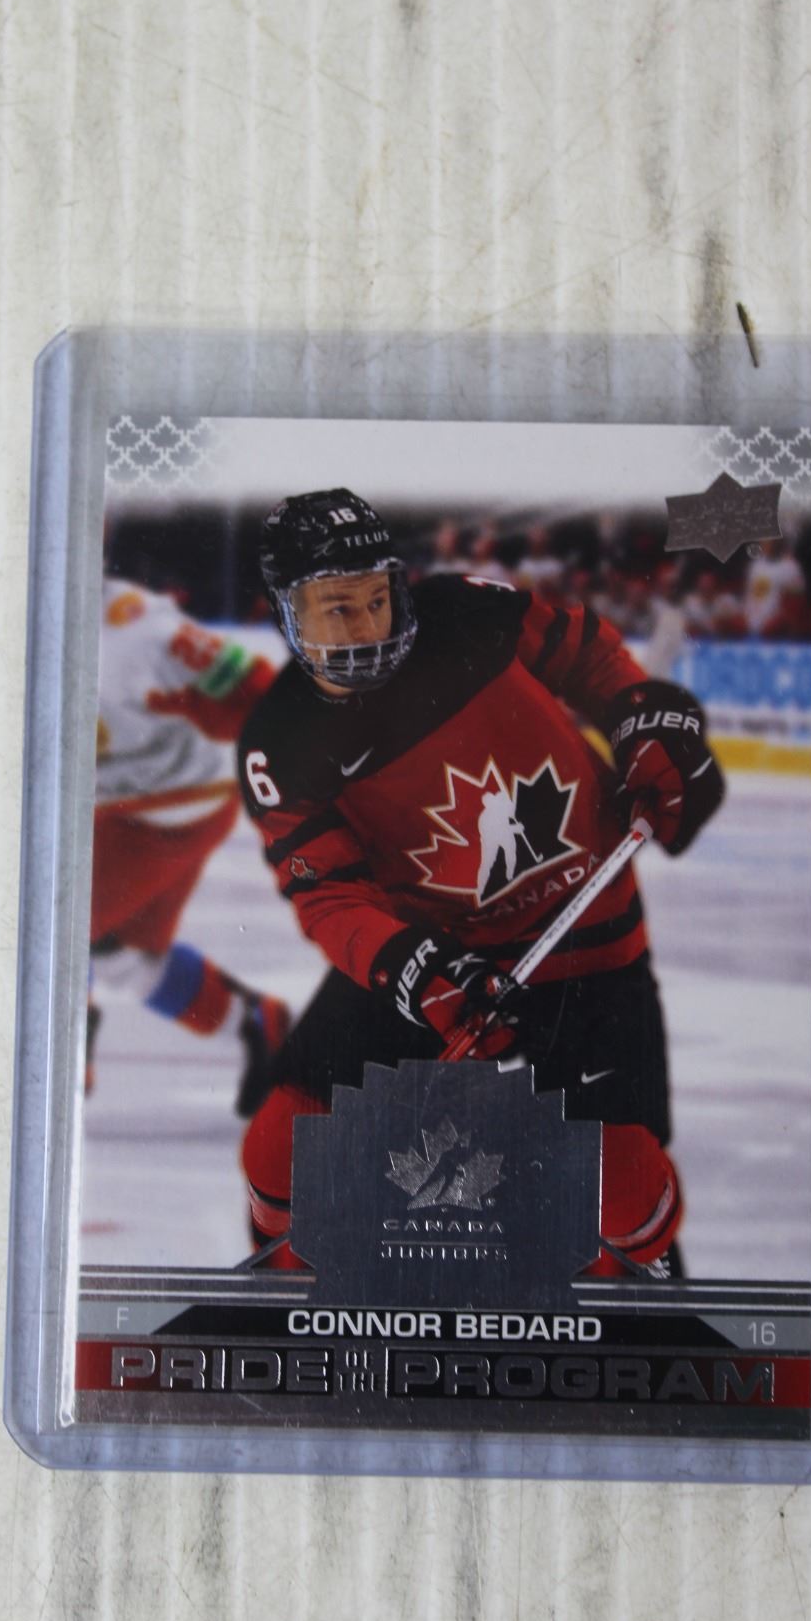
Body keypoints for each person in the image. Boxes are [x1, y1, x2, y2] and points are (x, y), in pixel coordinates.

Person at [235, 489, 725, 1275]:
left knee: (625, 1187)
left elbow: (585, 651)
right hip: (434, 957)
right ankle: (286, 1269)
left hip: (587, 944)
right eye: (337, 609)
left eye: (376, 599)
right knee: (279, 1145)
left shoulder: (466, 613)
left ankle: (645, 1284)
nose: (366, 628)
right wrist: (410, 968)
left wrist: (643, 717)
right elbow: (328, 892)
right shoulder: (280, 743)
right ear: (288, 614)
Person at [90, 573, 290, 1114]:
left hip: (163, 809)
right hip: (152, 805)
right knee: (122, 959)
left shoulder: (134, 632)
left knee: (53, 926)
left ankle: (57, 1059)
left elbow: (255, 688)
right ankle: (257, 1023)